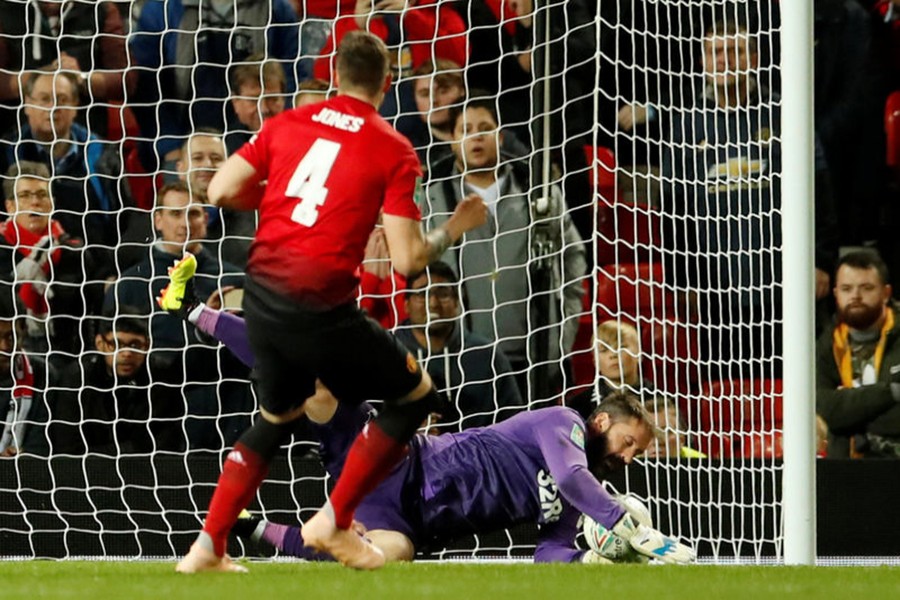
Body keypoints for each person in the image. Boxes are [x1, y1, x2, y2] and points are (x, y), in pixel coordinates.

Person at [174, 31, 487, 573]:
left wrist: (278, 197)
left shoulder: (287, 123)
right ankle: (335, 519)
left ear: (335, 76)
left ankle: (207, 547)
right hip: (321, 307)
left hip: (261, 296)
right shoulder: (393, 147)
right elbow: (408, 260)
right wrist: (455, 228)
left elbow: (219, 190)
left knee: (276, 417)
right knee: (415, 397)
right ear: (387, 85)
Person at [230, 389, 693, 565]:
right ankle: (206, 318)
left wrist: (587, 562)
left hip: (411, 522)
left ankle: (253, 528)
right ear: (602, 422)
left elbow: (548, 551)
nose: (628, 458)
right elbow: (570, 476)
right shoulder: (563, 422)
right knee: (317, 390)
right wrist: (627, 525)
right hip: (405, 464)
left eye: (636, 453)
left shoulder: (580, 495)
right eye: (629, 443)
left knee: (382, 556)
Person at [659, 15, 838, 380]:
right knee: (725, 390)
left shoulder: (786, 113)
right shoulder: (686, 125)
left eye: (734, 51)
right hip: (716, 291)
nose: (724, 60)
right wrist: (682, 281)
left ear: (753, 59)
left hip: (782, 283)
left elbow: (820, 189)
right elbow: (673, 210)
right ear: (703, 62)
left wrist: (821, 260)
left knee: (791, 383)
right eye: (715, 52)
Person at [422, 97, 587, 403]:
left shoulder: (540, 192)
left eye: (485, 128)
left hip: (535, 363)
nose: (476, 137)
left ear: (500, 136)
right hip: (460, 368)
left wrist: (561, 341)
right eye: (466, 129)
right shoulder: (432, 201)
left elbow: (573, 260)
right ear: (452, 140)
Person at [103, 182, 248, 450]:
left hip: (227, 405)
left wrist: (216, 327)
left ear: (206, 219)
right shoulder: (128, 284)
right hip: (156, 409)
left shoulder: (234, 280)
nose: (185, 223)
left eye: (193, 213)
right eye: (175, 213)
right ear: (157, 220)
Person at [128, 0, 300, 170]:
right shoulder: (162, 8)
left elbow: (291, 82)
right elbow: (146, 87)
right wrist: (170, 146)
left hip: (254, 148)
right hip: (181, 148)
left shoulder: (277, 10)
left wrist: (273, 140)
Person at [0, 72, 126, 258]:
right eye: (44, 99)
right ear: (27, 104)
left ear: (75, 105)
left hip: (95, 265)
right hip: (18, 263)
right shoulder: (4, 154)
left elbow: (126, 220)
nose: (53, 107)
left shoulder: (104, 154)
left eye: (62, 99)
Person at [0, 162, 104, 359]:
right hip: (9, 356)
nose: (35, 202)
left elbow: (89, 315)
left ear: (52, 203)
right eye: (25, 195)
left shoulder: (74, 252)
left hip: (66, 357)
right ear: (10, 206)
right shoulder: (2, 250)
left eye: (42, 195)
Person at [46, 310, 183, 455]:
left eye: (135, 345)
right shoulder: (76, 379)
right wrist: (131, 448)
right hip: (85, 468)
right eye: (116, 344)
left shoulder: (162, 378)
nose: (127, 353)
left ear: (147, 345)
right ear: (100, 344)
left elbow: (164, 445)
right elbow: (67, 447)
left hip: (147, 468)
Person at [0, 0, 136, 136]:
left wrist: (81, 78)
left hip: (86, 135)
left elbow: (126, 80)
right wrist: (38, 80)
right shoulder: (5, 9)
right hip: (15, 136)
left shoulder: (100, 9)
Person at [816, 251, 900, 458]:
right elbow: (825, 408)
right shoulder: (827, 343)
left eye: (867, 288)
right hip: (845, 465)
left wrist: (849, 408)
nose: (855, 296)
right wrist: (891, 392)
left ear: (886, 293)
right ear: (836, 294)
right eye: (846, 289)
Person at [0, 284, 51, 457]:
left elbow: (40, 447)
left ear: (23, 332)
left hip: (21, 471)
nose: (4, 346)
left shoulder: (44, 375)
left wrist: (23, 455)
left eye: (11, 337)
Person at [567, 321, 653, 421]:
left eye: (621, 347)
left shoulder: (659, 398)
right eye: (604, 350)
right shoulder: (579, 405)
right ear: (595, 361)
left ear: (639, 354)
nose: (613, 354)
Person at [226, 55, 288, 155]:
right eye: (254, 100)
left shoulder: (299, 140)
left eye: (272, 99)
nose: (264, 109)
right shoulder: (223, 148)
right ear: (235, 102)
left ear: (283, 99)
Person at [644, 395, 704, 459]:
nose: (657, 442)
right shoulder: (635, 459)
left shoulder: (701, 462)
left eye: (666, 432)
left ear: (681, 440)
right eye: (649, 433)